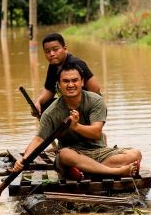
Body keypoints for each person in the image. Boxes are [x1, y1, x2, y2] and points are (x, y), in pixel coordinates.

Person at [11, 61, 141, 180]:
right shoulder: (51, 113)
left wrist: (76, 126)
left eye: (75, 80)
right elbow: (39, 139)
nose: (71, 85)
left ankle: (89, 172)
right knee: (64, 154)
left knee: (135, 154)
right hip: (72, 156)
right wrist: (23, 159)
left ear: (82, 82)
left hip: (98, 152)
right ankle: (115, 172)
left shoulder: (96, 101)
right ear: (59, 85)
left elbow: (96, 132)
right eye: (66, 81)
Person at [32, 32, 101, 117]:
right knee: (43, 107)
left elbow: (95, 89)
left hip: (87, 107)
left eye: (55, 49)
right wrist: (38, 102)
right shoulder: (53, 66)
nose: (51, 54)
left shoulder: (76, 64)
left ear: (65, 49)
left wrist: (83, 110)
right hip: (69, 104)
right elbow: (50, 90)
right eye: (47, 51)